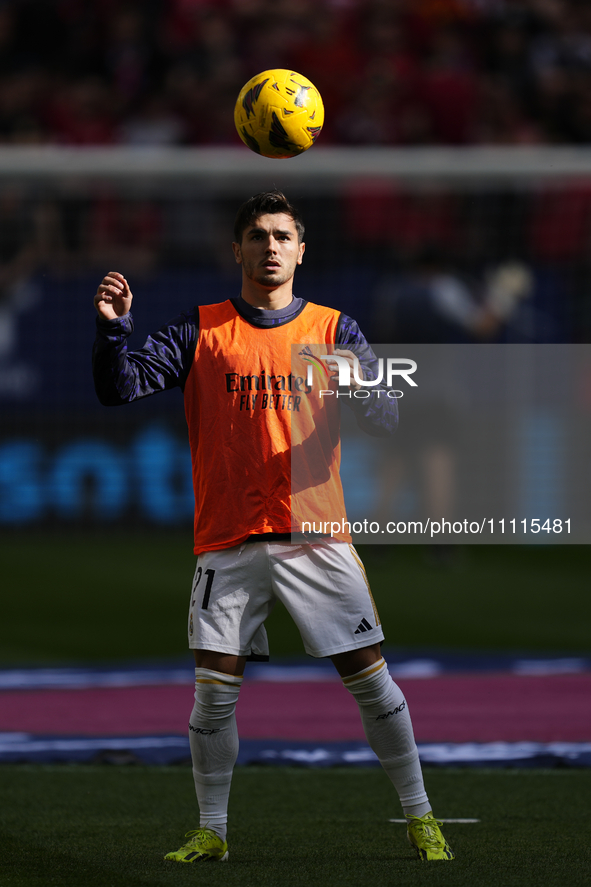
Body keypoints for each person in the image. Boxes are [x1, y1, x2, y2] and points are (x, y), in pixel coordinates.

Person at [92, 190, 454, 864]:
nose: (269, 246)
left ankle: (420, 815)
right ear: (237, 248)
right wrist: (114, 327)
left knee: (371, 683)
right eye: (256, 235)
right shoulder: (198, 329)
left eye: (281, 235)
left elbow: (386, 417)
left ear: (300, 249)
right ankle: (213, 829)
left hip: (315, 536)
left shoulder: (333, 329)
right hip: (227, 539)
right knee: (212, 697)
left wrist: (360, 386)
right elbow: (120, 388)